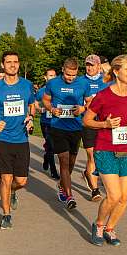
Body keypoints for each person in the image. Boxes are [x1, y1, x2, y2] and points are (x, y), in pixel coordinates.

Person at [82, 55, 127, 246]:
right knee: (113, 196)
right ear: (116, 72)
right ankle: (98, 225)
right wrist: (105, 124)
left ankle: (110, 228)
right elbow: (87, 121)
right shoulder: (103, 96)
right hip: (106, 149)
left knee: (123, 198)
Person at [0, 51, 36, 229]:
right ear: (2, 65)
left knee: (21, 181)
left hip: (21, 139)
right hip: (2, 138)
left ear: (19, 64)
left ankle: (12, 191)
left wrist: (31, 118)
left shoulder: (27, 85)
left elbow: (31, 105)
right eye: (9, 62)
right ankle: (6, 214)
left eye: (15, 62)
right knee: (5, 178)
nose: (12, 65)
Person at [43, 58, 93, 209]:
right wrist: (52, 109)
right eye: (68, 75)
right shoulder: (53, 83)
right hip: (57, 127)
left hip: (76, 128)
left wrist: (83, 109)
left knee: (71, 162)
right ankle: (69, 196)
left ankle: (62, 185)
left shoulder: (83, 83)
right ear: (63, 70)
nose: (70, 78)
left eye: (74, 75)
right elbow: (45, 100)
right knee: (64, 161)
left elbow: (90, 102)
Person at [78, 54, 109, 200]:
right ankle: (95, 189)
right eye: (87, 65)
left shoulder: (106, 81)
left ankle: (87, 173)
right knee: (91, 155)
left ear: (98, 66)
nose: (90, 68)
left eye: (92, 65)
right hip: (88, 123)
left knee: (101, 155)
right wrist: (85, 106)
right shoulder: (80, 81)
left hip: (104, 123)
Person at [35, 68, 58, 179]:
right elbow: (35, 103)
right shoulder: (41, 91)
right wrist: (40, 109)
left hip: (58, 122)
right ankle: (53, 170)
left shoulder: (59, 90)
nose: (52, 78)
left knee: (54, 147)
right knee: (51, 146)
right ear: (45, 77)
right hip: (46, 122)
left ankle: (46, 157)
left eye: (54, 75)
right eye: (50, 75)